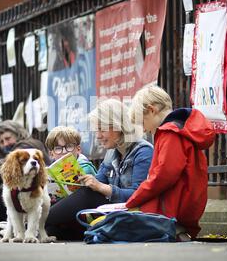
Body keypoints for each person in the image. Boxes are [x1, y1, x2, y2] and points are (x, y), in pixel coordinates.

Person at [45, 99, 154, 240]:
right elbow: (96, 183)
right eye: (97, 130)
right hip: (110, 214)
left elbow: (139, 196)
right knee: (52, 229)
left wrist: (103, 188)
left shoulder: (143, 151)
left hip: (132, 214)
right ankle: (37, 223)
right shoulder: (112, 152)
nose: (98, 136)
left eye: (102, 129)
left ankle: (32, 223)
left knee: (87, 195)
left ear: (118, 126)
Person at [125, 85, 216, 240]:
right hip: (187, 198)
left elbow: (164, 175)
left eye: (142, 122)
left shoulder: (169, 133)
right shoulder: (179, 131)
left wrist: (133, 199)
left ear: (152, 110)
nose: (144, 130)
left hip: (174, 204)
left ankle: (174, 230)